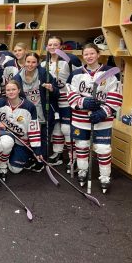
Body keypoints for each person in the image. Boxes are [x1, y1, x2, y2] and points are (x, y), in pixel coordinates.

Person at [66, 43, 122, 192]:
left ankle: (105, 177)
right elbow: (70, 93)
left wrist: (104, 112)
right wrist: (83, 101)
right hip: (80, 119)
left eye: (92, 53)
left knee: (103, 149)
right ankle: (83, 170)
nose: (89, 57)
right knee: (82, 146)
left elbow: (116, 95)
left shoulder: (111, 72)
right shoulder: (76, 74)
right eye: (86, 54)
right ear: (82, 56)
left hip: (102, 120)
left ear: (98, 54)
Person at [13, 52, 59, 171]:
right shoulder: (17, 77)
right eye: (28, 61)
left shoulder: (44, 74)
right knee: (29, 137)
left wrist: (52, 88)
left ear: (37, 63)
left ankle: (40, 160)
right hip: (27, 114)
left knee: (43, 138)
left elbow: (57, 92)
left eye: (33, 62)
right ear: (24, 62)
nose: (30, 64)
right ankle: (32, 158)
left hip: (43, 113)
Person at [42, 36, 82, 171]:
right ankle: (58, 153)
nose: (52, 47)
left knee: (67, 128)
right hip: (52, 99)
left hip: (66, 98)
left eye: (55, 45)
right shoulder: (44, 63)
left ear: (61, 46)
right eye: (50, 45)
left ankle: (74, 157)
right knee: (56, 128)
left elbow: (80, 77)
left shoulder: (69, 60)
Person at [0, 80, 42, 175]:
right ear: (5, 91)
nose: (11, 92)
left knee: (15, 170)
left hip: (21, 142)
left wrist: (37, 150)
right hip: (4, 138)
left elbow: (34, 130)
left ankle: (16, 157)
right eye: (8, 90)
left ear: (19, 90)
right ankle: (3, 158)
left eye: (13, 89)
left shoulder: (29, 106)